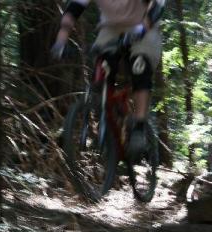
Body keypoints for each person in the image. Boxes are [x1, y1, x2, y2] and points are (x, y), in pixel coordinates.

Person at [51, 0, 166, 161]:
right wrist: (60, 41)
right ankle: (109, 127)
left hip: (144, 25)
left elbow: (157, 5)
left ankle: (139, 127)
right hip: (111, 29)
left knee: (140, 65)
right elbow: (73, 11)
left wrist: (142, 28)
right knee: (102, 67)